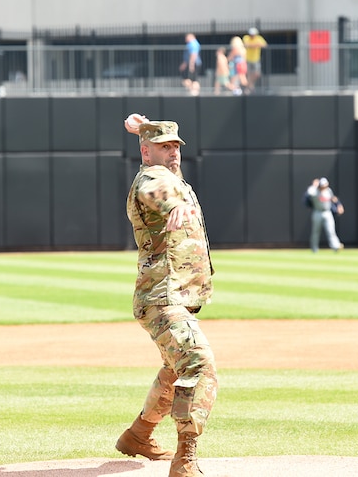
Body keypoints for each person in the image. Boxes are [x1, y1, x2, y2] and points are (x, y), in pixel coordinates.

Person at [117, 115, 217, 477]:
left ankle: (139, 435)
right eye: (164, 146)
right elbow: (153, 187)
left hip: (176, 297)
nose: (173, 152)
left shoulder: (171, 176)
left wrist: (143, 126)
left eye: (175, 145)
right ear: (146, 152)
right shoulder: (154, 179)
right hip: (162, 299)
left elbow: (163, 172)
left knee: (174, 370)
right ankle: (185, 458)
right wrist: (171, 202)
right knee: (198, 363)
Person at [304, 177, 344, 253]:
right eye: (323, 185)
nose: (324, 187)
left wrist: (339, 205)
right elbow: (307, 196)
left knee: (331, 230)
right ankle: (314, 249)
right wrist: (314, 185)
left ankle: (335, 246)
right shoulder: (314, 191)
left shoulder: (328, 191)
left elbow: (333, 199)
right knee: (316, 232)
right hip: (317, 212)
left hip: (327, 212)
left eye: (325, 185)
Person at [242, 27, 267, 93]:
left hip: (256, 59)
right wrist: (255, 45)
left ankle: (250, 85)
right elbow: (246, 44)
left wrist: (253, 45)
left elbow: (264, 45)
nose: (252, 36)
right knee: (249, 74)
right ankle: (250, 87)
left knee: (257, 73)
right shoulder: (246, 37)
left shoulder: (259, 38)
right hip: (248, 59)